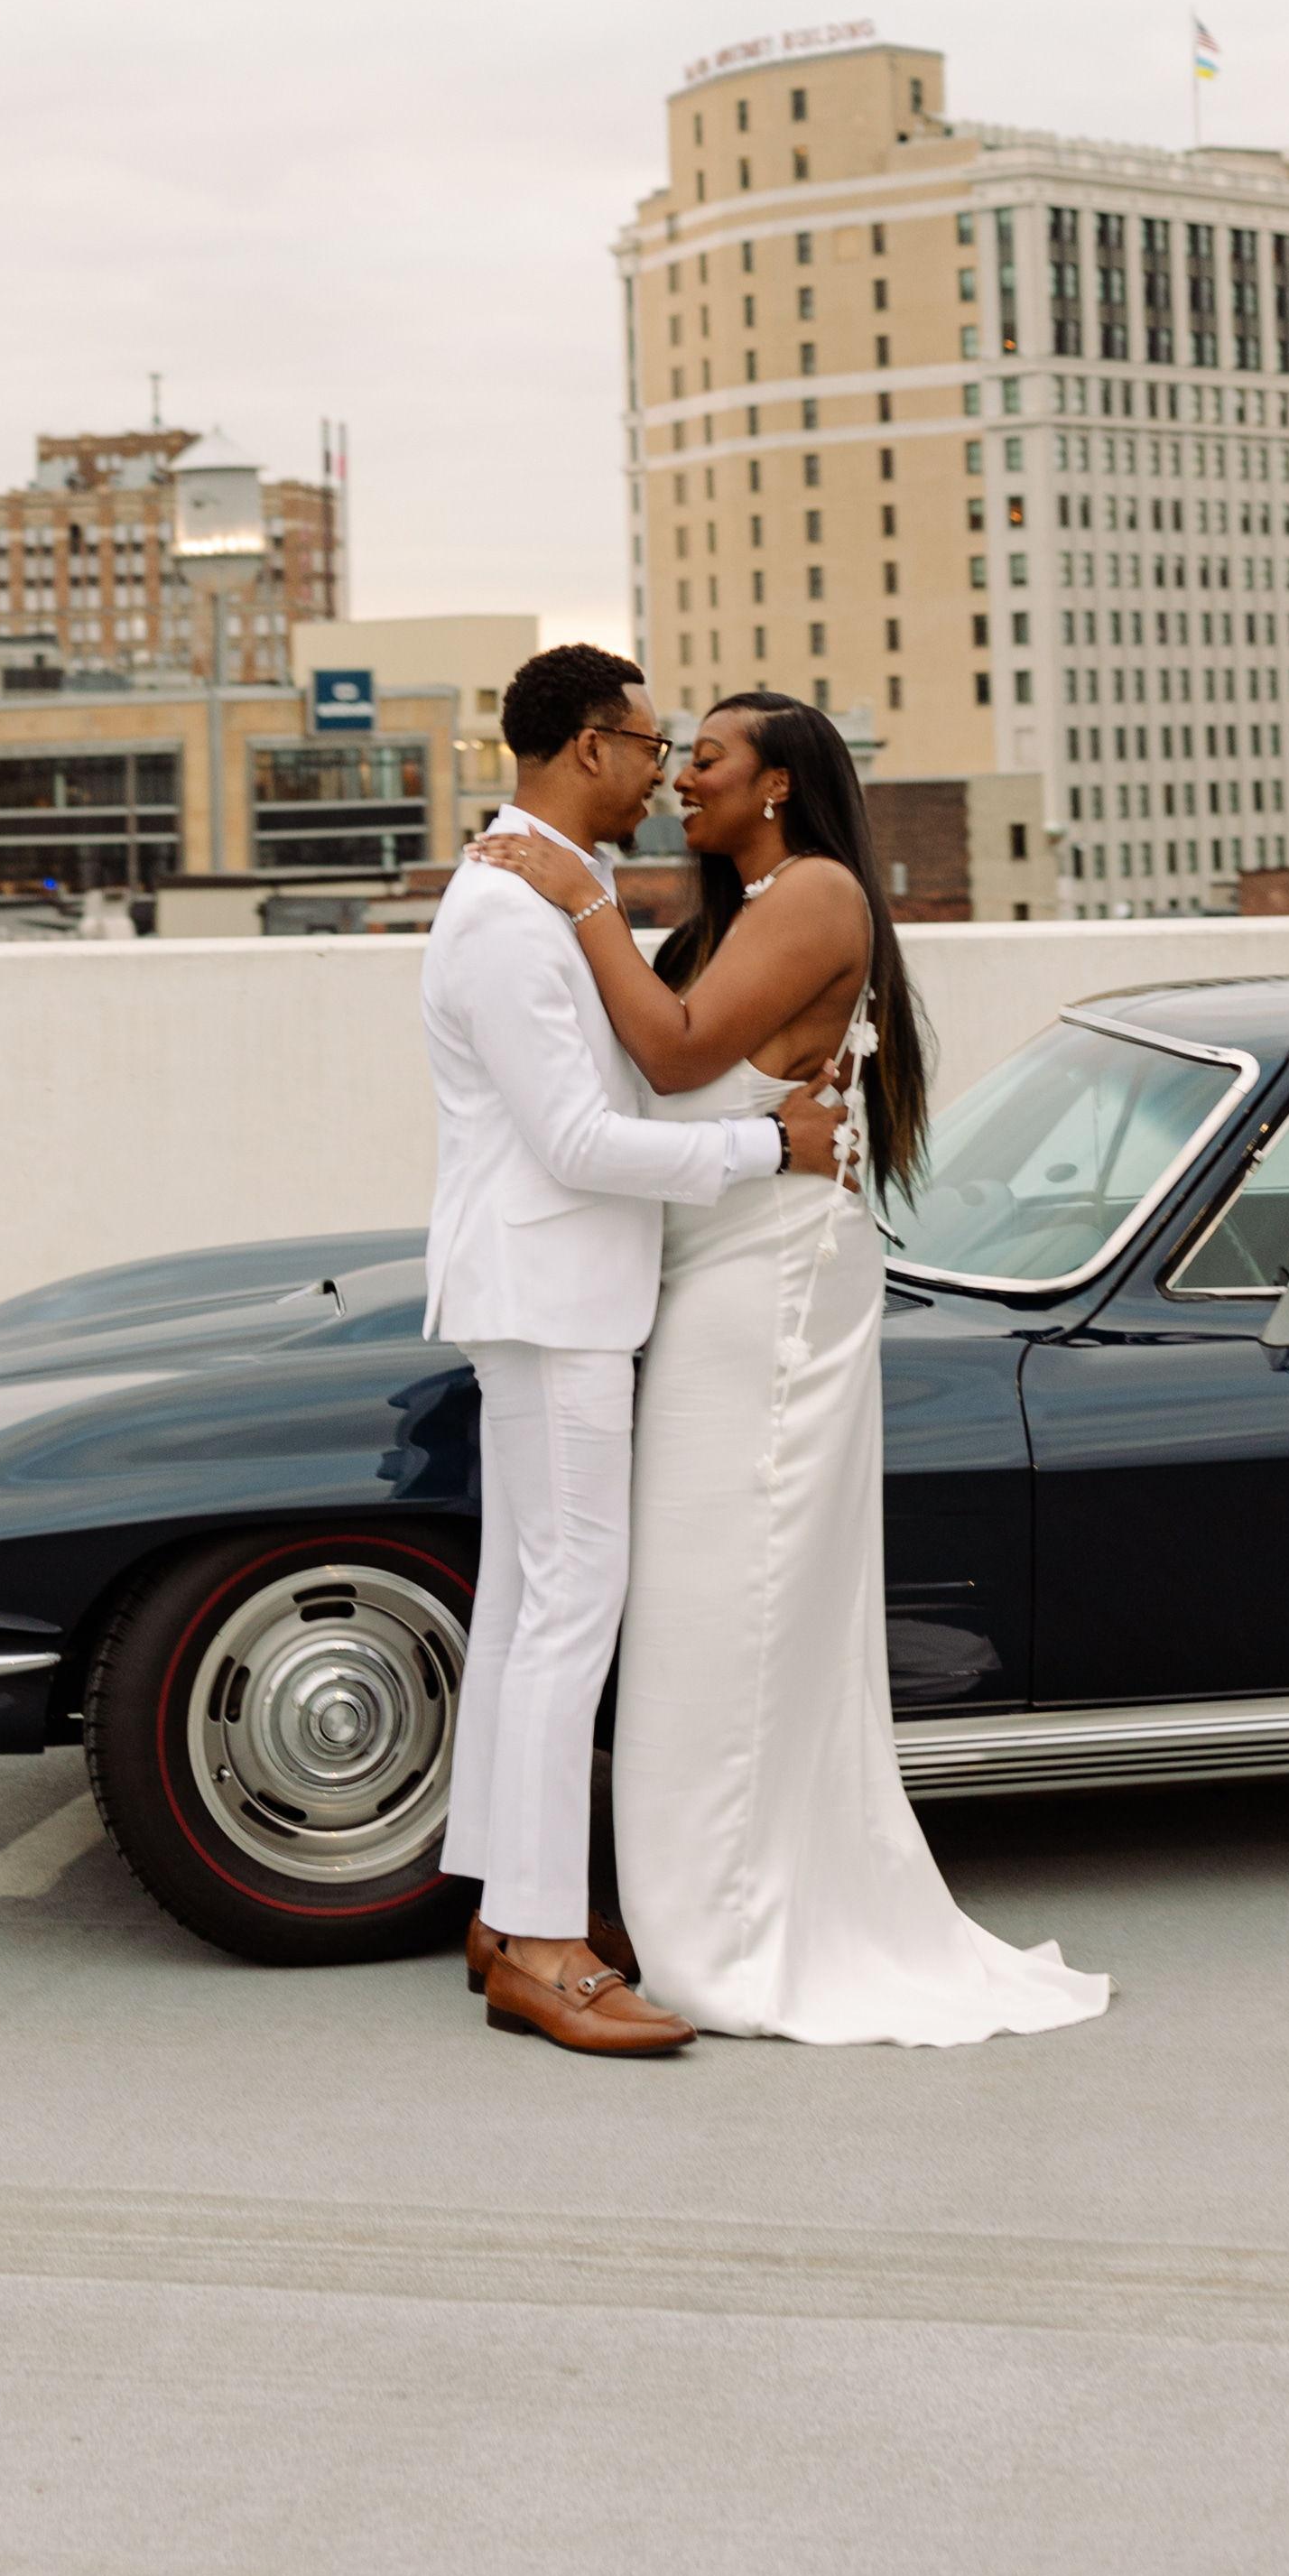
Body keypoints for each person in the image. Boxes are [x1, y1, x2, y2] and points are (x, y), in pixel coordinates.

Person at [478, 691, 1108, 2050]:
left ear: (777, 785)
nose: (683, 779)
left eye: (708, 759)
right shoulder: (726, 919)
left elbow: (673, 1055)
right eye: (675, 755)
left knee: (734, 1603)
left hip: (769, 1286)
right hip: (708, 1275)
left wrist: (580, 898)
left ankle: (732, 1923)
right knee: (689, 1607)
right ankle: (669, 1901)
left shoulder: (818, 894)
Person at [420, 643, 849, 2059]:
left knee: (529, 1603)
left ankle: (504, 1914)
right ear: (590, 746)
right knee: (569, 1610)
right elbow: (577, 1141)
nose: (663, 773)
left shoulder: (542, 893)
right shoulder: (512, 910)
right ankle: (545, 1946)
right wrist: (768, 1147)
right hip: (554, 1295)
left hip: (547, 1289)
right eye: (652, 746)